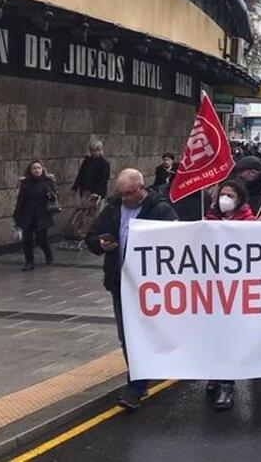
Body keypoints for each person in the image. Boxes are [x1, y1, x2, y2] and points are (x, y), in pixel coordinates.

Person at [85, 169, 177, 410]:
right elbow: (91, 237)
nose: (124, 199)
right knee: (127, 336)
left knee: (151, 333)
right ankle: (136, 384)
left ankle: (147, 375)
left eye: (129, 194)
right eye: (121, 194)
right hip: (121, 283)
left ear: (141, 188)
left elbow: (175, 242)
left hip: (151, 287)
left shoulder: (161, 210)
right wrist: (100, 244)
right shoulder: (113, 209)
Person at [202, 178, 254, 410]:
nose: (225, 199)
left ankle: (227, 385)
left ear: (240, 199)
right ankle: (215, 374)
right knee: (213, 336)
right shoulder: (209, 219)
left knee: (229, 337)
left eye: (230, 195)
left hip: (237, 292)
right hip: (211, 291)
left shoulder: (250, 222)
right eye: (222, 194)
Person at [13, 160, 59, 271]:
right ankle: (29, 262)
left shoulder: (48, 181)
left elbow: (54, 197)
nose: (37, 170)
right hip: (28, 214)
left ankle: (48, 254)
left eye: (38, 168)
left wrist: (50, 194)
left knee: (41, 238)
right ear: (30, 170)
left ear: (42, 169)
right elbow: (21, 200)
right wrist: (17, 214)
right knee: (27, 239)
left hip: (42, 214)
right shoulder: (26, 183)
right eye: (34, 168)